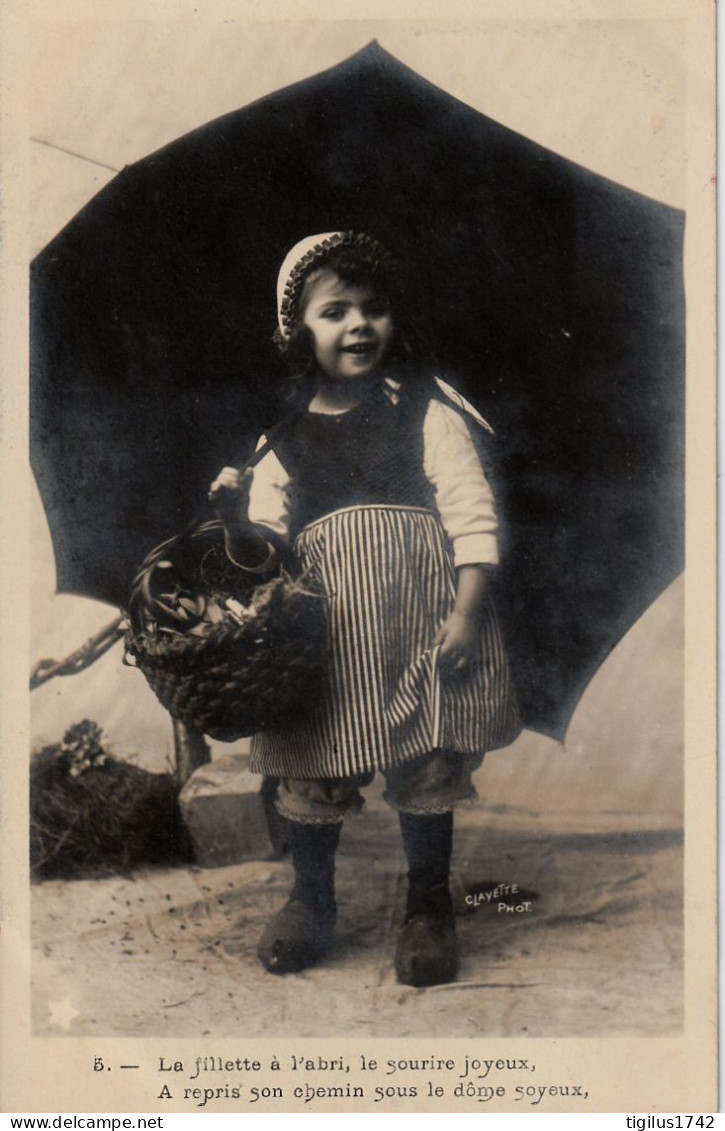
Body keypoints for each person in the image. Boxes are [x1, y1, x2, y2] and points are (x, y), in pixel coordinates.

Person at [209, 231, 521, 986]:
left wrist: (467, 611)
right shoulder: (279, 439)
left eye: (373, 309)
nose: (357, 325)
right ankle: (310, 900)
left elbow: (472, 514)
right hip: (328, 638)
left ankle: (426, 905)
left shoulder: (426, 410)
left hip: (422, 622)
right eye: (333, 311)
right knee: (315, 766)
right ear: (297, 332)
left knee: (426, 757)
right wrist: (232, 517)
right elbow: (267, 553)